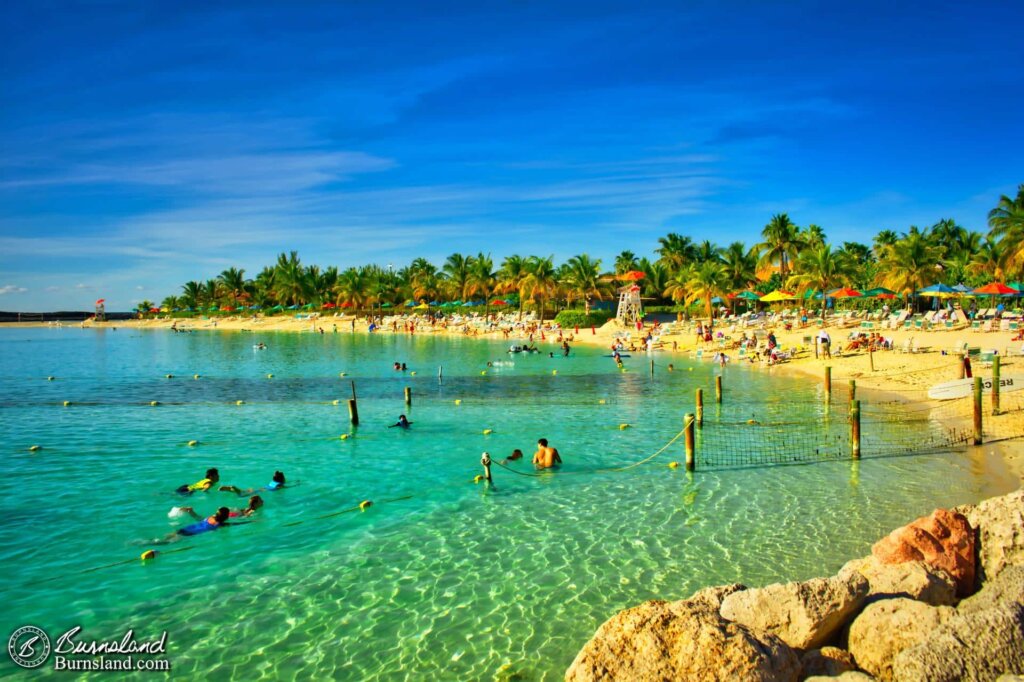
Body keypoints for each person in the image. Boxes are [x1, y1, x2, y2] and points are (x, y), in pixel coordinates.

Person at [220, 471, 288, 495]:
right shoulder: (280, 485)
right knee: (243, 494)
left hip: (262, 488)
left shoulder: (272, 482)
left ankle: (232, 489)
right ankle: (235, 490)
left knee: (244, 492)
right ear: (282, 479)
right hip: (264, 491)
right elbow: (285, 487)